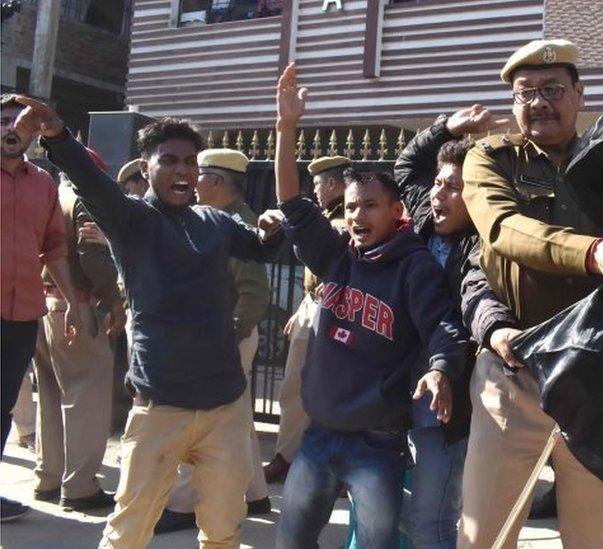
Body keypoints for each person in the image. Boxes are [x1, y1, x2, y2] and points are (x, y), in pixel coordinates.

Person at [13, 95, 283, 548]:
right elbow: (93, 183)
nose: (183, 170)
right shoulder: (133, 220)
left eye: (191, 162)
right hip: (160, 408)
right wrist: (57, 135)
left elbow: (257, 247)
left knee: (222, 531)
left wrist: (272, 228)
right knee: (128, 532)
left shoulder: (214, 221)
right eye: (170, 160)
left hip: (224, 407)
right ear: (146, 165)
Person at [458, 40, 603, 548]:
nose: (539, 102)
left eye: (553, 89)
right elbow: (503, 229)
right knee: (485, 535)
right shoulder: (489, 159)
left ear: (579, 94)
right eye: (526, 94)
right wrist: (598, 253)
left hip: (600, 378)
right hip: (516, 372)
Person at [271, 63, 468, 549]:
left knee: (378, 542)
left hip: (377, 443)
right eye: (352, 206)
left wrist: (441, 369)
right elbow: (292, 202)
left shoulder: (414, 266)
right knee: (292, 538)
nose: (358, 215)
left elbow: (443, 326)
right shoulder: (335, 255)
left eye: (371, 206)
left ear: (398, 211)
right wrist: (286, 127)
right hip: (317, 436)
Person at [392, 104, 508, 548]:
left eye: (454, 187)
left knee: (432, 518)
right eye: (438, 183)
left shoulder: (486, 249)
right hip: (398, 389)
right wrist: (445, 128)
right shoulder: (424, 220)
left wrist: (445, 366)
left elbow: (472, 313)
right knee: (389, 504)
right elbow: (407, 165)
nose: (438, 195)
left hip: (448, 400)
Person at [154, 148, 273, 533]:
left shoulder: (232, 222)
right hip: (222, 334)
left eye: (197, 171)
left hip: (224, 336)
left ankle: (183, 505)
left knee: (198, 419)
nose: (188, 176)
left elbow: (254, 292)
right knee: (235, 417)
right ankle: (256, 493)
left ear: (217, 182)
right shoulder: (217, 218)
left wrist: (228, 338)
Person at [1, 94, 80, 522]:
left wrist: (71, 303)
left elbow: (54, 248)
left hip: (21, 314)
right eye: (5, 120)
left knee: (1, 405)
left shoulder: (43, 184)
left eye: (25, 123)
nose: (14, 128)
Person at [33, 148, 125, 513]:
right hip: (79, 304)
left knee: (51, 397)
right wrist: (113, 299)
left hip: (45, 303)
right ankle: (81, 486)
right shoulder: (85, 200)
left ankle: (48, 477)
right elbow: (92, 255)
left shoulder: (51, 196)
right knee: (87, 395)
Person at [264, 154, 351, 484]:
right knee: (295, 389)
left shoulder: (347, 218)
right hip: (314, 306)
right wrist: (302, 308)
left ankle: (333, 468)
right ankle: (287, 455)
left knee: (331, 392)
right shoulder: (326, 215)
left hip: (341, 310)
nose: (314, 191)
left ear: (331, 184)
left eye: (317, 184)